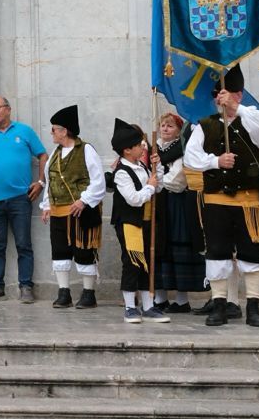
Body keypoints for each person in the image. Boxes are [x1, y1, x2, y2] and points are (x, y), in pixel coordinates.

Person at [184, 63, 259, 328]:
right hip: (217, 201)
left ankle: (253, 307)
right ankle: (220, 306)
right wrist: (215, 161)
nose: (221, 98)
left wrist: (238, 108)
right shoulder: (205, 125)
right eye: (218, 94)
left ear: (239, 94)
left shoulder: (253, 118)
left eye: (227, 93)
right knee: (217, 253)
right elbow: (191, 157)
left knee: (252, 253)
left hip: (248, 201)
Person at [0, 95, 46, 303]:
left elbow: (43, 155)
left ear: (8, 109)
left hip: (20, 198)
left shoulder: (24, 131)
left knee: (24, 244)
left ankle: (26, 287)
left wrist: (40, 182)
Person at [39, 104, 105, 309]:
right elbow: (50, 181)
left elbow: (98, 181)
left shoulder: (86, 150)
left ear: (64, 131)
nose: (51, 133)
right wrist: (47, 205)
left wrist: (84, 200)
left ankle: (88, 294)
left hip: (80, 211)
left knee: (83, 250)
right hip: (58, 212)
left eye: (54, 129)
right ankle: (64, 293)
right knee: (60, 251)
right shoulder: (55, 154)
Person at [109, 118, 169, 325]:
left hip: (146, 221)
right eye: (138, 145)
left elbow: (158, 186)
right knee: (132, 262)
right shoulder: (121, 172)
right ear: (127, 150)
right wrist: (150, 186)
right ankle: (129, 306)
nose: (143, 147)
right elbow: (134, 199)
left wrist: (157, 167)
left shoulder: (142, 166)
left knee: (147, 263)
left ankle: (148, 305)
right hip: (129, 223)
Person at [151, 111, 207, 313]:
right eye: (163, 125)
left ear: (178, 131)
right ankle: (160, 297)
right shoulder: (153, 147)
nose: (165, 129)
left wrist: (155, 181)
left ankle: (182, 300)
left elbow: (177, 181)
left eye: (170, 126)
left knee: (177, 246)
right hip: (157, 203)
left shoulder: (183, 150)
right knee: (158, 246)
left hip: (176, 204)